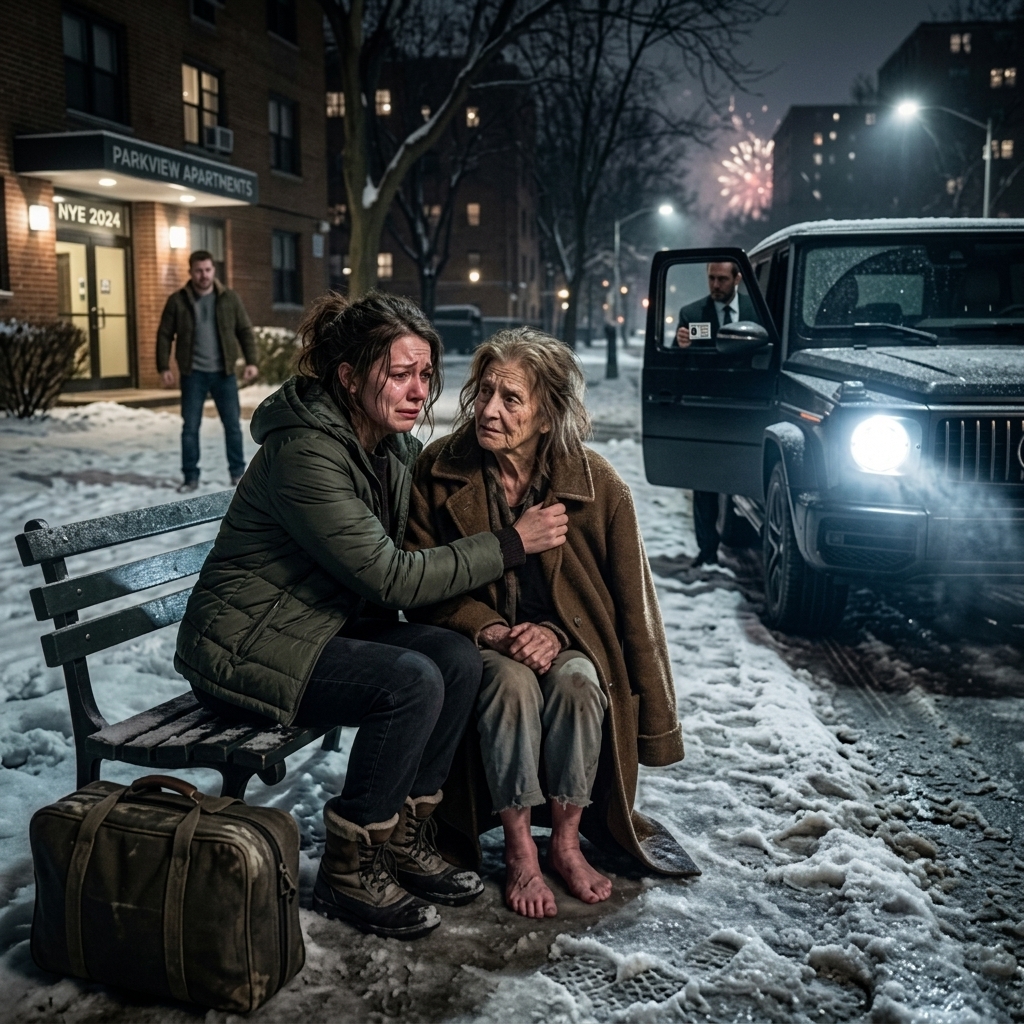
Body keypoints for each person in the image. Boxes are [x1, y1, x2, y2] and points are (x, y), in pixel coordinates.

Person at [174, 292, 569, 940]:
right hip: (244, 648)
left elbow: (430, 511)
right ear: (349, 377)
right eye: (399, 374)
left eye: (424, 376)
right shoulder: (306, 454)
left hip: (312, 627)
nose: (417, 392)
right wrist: (511, 543)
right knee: (409, 679)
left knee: (456, 655)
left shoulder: (388, 447)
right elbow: (391, 575)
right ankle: (352, 861)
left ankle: (408, 833)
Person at [405, 328, 688, 920]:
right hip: (479, 641)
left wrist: (557, 635)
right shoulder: (438, 469)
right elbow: (421, 586)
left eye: (511, 399)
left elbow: (629, 607)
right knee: (509, 683)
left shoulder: (598, 484)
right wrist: (493, 630)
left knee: (580, 680)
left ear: (546, 415)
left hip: (564, 644)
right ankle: (518, 852)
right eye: (484, 393)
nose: (488, 410)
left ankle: (563, 841)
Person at [674, 261, 756, 566]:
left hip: (746, 407)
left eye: (722, 279)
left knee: (741, 478)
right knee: (704, 484)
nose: (716, 285)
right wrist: (682, 347)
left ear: (737, 279)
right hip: (707, 409)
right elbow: (675, 367)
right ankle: (707, 551)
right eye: (711, 278)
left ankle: (743, 536)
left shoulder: (756, 311)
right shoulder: (693, 314)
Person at [157, 250, 259, 492]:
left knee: (232, 425)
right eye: (199, 271)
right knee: (190, 428)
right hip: (193, 374)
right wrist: (163, 367)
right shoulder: (178, 300)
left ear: (214, 270)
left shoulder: (229, 298)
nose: (204, 275)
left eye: (208, 270)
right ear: (191, 272)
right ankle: (190, 477)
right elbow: (164, 334)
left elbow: (244, 330)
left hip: (224, 373)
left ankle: (237, 474)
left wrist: (251, 361)